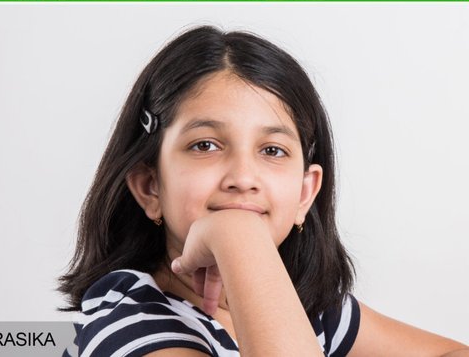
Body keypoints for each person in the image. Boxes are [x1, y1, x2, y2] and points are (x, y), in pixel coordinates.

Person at [61, 26, 469, 356]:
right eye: (205, 145)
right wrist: (238, 239)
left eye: (272, 150)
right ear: (150, 187)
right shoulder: (122, 323)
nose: (243, 176)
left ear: (305, 195)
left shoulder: (313, 314)